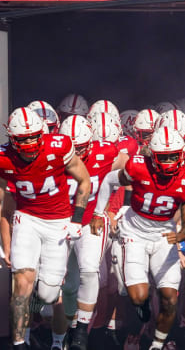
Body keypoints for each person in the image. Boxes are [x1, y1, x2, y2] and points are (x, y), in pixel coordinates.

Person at [93, 126, 185, 350]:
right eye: (165, 156)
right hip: (135, 233)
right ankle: (141, 317)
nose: (170, 161)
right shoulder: (138, 166)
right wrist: (98, 211)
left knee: (170, 297)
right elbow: (108, 180)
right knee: (138, 296)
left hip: (164, 236)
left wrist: (180, 238)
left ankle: (158, 344)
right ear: (153, 154)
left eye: (174, 155)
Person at [0, 108, 91, 350]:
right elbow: (5, 203)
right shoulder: (3, 157)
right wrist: (5, 243)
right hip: (26, 218)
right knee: (21, 284)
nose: (29, 143)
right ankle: (19, 344)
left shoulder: (59, 146)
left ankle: (40, 295)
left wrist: (77, 218)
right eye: (23, 138)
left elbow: (85, 180)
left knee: (50, 295)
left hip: (58, 222)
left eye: (33, 137)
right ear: (11, 138)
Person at [57, 115, 130, 350]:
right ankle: (67, 326)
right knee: (60, 285)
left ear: (90, 142)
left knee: (90, 271)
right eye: (72, 148)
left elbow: (132, 166)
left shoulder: (105, 152)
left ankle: (80, 332)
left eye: (80, 148)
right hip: (57, 220)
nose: (76, 154)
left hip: (90, 221)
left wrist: (112, 206)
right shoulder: (50, 153)